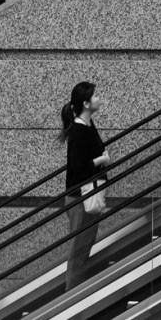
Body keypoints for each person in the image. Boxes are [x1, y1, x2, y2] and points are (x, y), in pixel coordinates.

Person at [58, 81, 110, 292]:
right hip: (81, 197)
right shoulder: (78, 131)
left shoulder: (88, 125)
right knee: (78, 251)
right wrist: (101, 161)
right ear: (86, 103)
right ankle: (72, 299)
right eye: (95, 96)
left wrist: (102, 158)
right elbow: (78, 167)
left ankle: (76, 295)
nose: (99, 98)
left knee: (85, 246)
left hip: (89, 193)